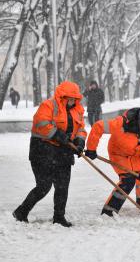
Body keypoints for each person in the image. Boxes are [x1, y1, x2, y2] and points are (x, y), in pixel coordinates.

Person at [12, 81, 87, 227]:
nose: (72, 101)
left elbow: (81, 129)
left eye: (74, 99)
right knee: (44, 186)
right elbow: (42, 124)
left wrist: (79, 142)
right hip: (42, 150)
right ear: (62, 97)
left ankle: (59, 217)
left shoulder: (77, 110)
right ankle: (21, 212)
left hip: (63, 151)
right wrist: (59, 135)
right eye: (69, 98)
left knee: (62, 186)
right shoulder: (48, 105)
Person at [85, 107, 140, 215]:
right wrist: (91, 148)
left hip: (136, 156)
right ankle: (109, 212)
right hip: (119, 154)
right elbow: (98, 126)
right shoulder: (121, 124)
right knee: (128, 180)